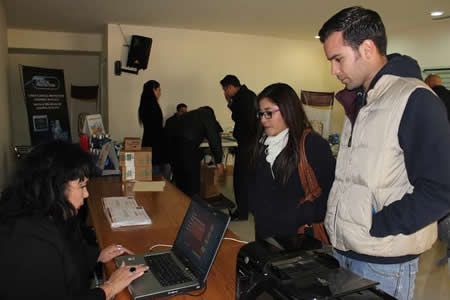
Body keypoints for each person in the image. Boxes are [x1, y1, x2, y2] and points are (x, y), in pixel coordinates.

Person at [318, 6, 450, 300]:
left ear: (366, 48)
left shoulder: (414, 99)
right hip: (346, 251)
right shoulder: (362, 100)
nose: (333, 71)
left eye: (337, 59)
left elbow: (442, 189)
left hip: (383, 262)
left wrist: (378, 225)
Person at [0, 141, 148, 300]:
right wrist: (108, 289)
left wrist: (97, 255)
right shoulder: (30, 242)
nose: (86, 194)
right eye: (81, 186)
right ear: (56, 186)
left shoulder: (49, 214)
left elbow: (68, 254)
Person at [247, 83, 335, 240]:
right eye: (260, 114)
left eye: (269, 113)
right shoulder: (262, 144)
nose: (263, 120)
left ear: (288, 110)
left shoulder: (312, 144)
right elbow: (254, 187)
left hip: (299, 238)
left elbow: (332, 193)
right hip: (265, 235)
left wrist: (299, 215)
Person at [220, 75, 257, 221]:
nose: (224, 93)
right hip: (251, 143)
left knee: (240, 179)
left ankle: (242, 212)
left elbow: (239, 118)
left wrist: (229, 102)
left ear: (230, 87)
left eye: (224, 89)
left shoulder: (243, 98)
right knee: (248, 179)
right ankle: (248, 208)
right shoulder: (248, 95)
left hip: (248, 143)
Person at [170, 106, 224, 196]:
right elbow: (214, 138)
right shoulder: (207, 115)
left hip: (173, 148)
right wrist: (218, 161)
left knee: (181, 183)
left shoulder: (191, 114)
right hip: (187, 148)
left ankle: (181, 204)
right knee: (192, 183)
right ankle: (193, 204)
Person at [138, 80, 170, 178]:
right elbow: (157, 128)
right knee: (160, 177)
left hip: (148, 143)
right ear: (153, 90)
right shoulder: (153, 106)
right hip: (156, 146)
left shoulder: (144, 105)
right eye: (159, 89)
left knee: (152, 177)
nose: (160, 92)